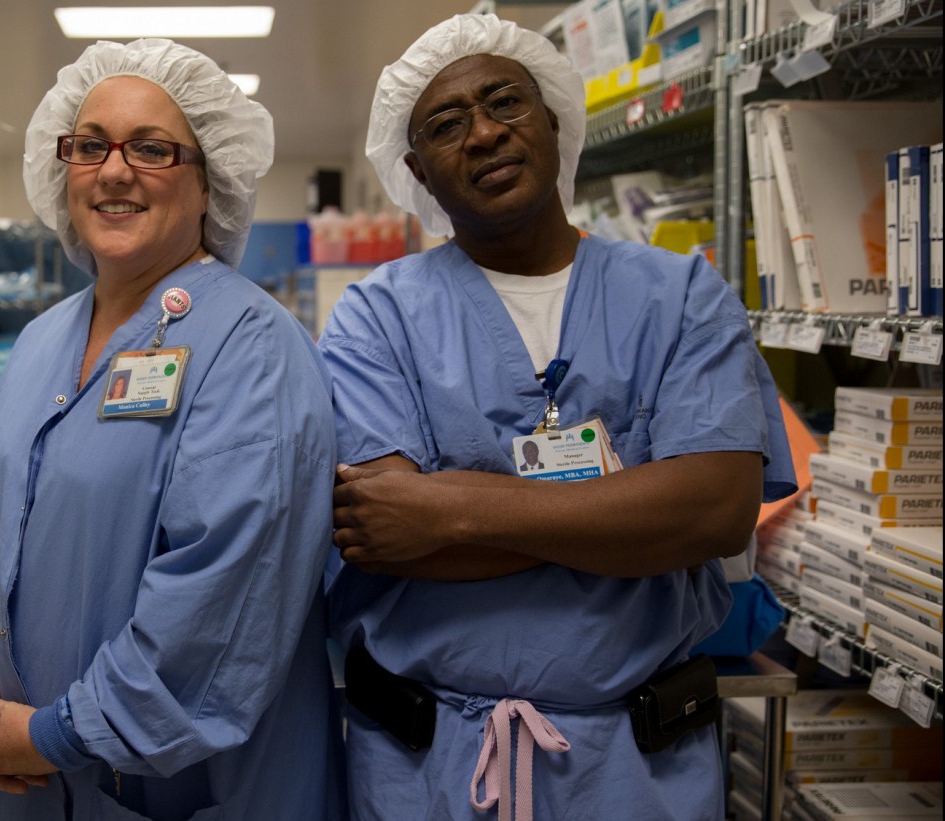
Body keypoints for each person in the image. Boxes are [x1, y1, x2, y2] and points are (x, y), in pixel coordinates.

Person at [319, 14, 795, 821]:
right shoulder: (376, 316)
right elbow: (382, 529)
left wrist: (452, 506)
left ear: (552, 121)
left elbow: (715, 509)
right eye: (444, 124)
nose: (482, 133)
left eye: (504, 101)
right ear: (418, 172)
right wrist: (630, 517)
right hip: (426, 769)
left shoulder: (681, 296)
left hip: (638, 770)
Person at [0, 38, 346, 820]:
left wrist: (58, 732)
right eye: (90, 146)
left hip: (189, 793)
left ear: (207, 184)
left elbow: (225, 594)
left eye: (152, 149)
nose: (114, 171)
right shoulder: (41, 343)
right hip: (30, 780)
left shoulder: (252, 349)